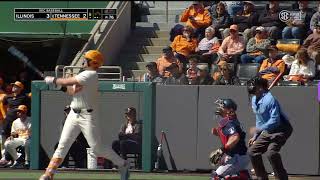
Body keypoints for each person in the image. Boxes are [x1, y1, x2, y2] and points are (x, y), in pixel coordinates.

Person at [39, 50, 130, 180]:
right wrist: (59, 87)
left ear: (92, 62)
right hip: (73, 114)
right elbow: (72, 91)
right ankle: (49, 174)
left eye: (85, 59)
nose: (83, 60)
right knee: (63, 144)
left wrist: (54, 79)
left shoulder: (90, 75)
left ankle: (123, 164)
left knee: (97, 149)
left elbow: (69, 81)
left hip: (88, 116)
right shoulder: (83, 74)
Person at [246, 76, 293, 180]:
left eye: (254, 85)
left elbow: (275, 120)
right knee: (252, 152)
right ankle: (261, 177)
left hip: (282, 129)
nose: (251, 87)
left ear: (261, 88)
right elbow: (259, 119)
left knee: (271, 153)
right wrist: (255, 136)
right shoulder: (254, 99)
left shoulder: (270, 99)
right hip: (267, 130)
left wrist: (259, 129)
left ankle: (281, 178)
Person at [210, 98, 250, 179]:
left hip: (237, 157)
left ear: (229, 110)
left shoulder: (230, 122)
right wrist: (217, 132)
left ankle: (243, 177)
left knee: (216, 177)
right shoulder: (229, 120)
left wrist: (222, 149)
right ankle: (244, 176)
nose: (219, 108)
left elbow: (235, 137)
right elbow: (229, 135)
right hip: (239, 156)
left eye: (222, 106)